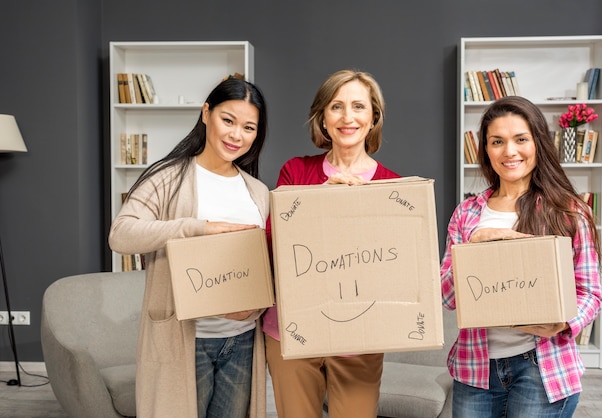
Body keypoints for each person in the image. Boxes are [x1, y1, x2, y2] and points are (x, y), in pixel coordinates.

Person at [109, 77, 269, 418]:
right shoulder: (168, 177)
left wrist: (252, 311)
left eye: (248, 127)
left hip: (240, 341)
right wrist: (198, 228)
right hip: (186, 340)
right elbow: (120, 235)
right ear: (206, 113)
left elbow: (266, 265)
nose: (236, 135)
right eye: (228, 120)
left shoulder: (257, 191)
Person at [440, 96, 602, 417]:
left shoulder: (568, 211)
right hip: (476, 369)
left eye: (521, 139)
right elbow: (447, 298)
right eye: (497, 141)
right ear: (486, 149)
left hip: (542, 368)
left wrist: (562, 323)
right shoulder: (468, 214)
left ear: (538, 143)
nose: (509, 151)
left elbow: (590, 292)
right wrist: (471, 247)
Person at [262, 69, 400, 418]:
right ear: (322, 117)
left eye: (358, 106)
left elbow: (397, 265)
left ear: (373, 118)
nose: (347, 117)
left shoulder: (391, 187)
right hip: (292, 332)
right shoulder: (295, 172)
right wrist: (320, 199)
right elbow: (271, 241)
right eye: (336, 106)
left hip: (359, 338)